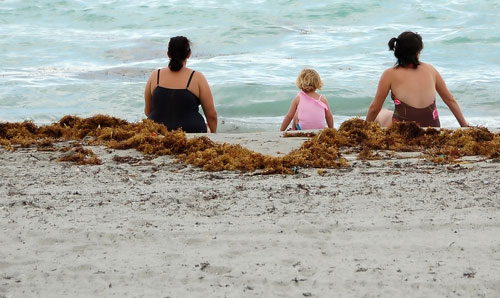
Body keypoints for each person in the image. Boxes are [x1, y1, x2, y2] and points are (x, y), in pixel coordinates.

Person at [366, 31, 468, 127]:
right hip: (432, 129)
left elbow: (375, 108)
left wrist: (363, 129)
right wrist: (464, 126)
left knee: (381, 112)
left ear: (397, 51)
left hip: (402, 131)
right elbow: (449, 99)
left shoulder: (389, 74)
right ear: (418, 52)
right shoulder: (431, 70)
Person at [144, 36, 217, 133]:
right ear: (189, 54)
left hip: (157, 131)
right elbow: (211, 116)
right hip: (192, 131)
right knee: (207, 128)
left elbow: (148, 111)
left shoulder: (155, 75)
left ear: (168, 54)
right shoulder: (197, 77)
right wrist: (213, 134)